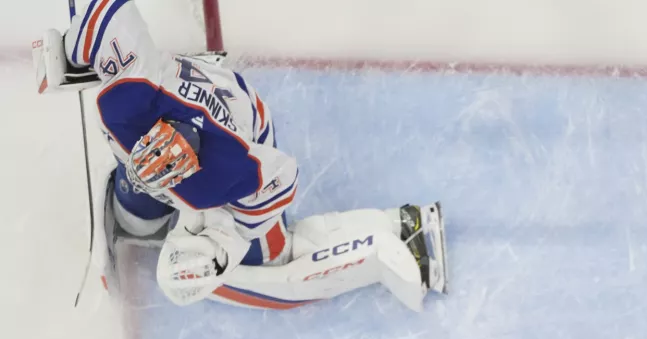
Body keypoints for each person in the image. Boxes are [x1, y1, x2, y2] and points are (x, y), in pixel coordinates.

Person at [33, 0, 447, 311]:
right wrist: (72, 40)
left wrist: (224, 245)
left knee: (270, 260)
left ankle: (400, 229)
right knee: (138, 207)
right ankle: (145, 208)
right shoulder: (125, 95)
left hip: (242, 128)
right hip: (199, 111)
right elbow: (102, 13)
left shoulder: (224, 172)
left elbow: (280, 179)